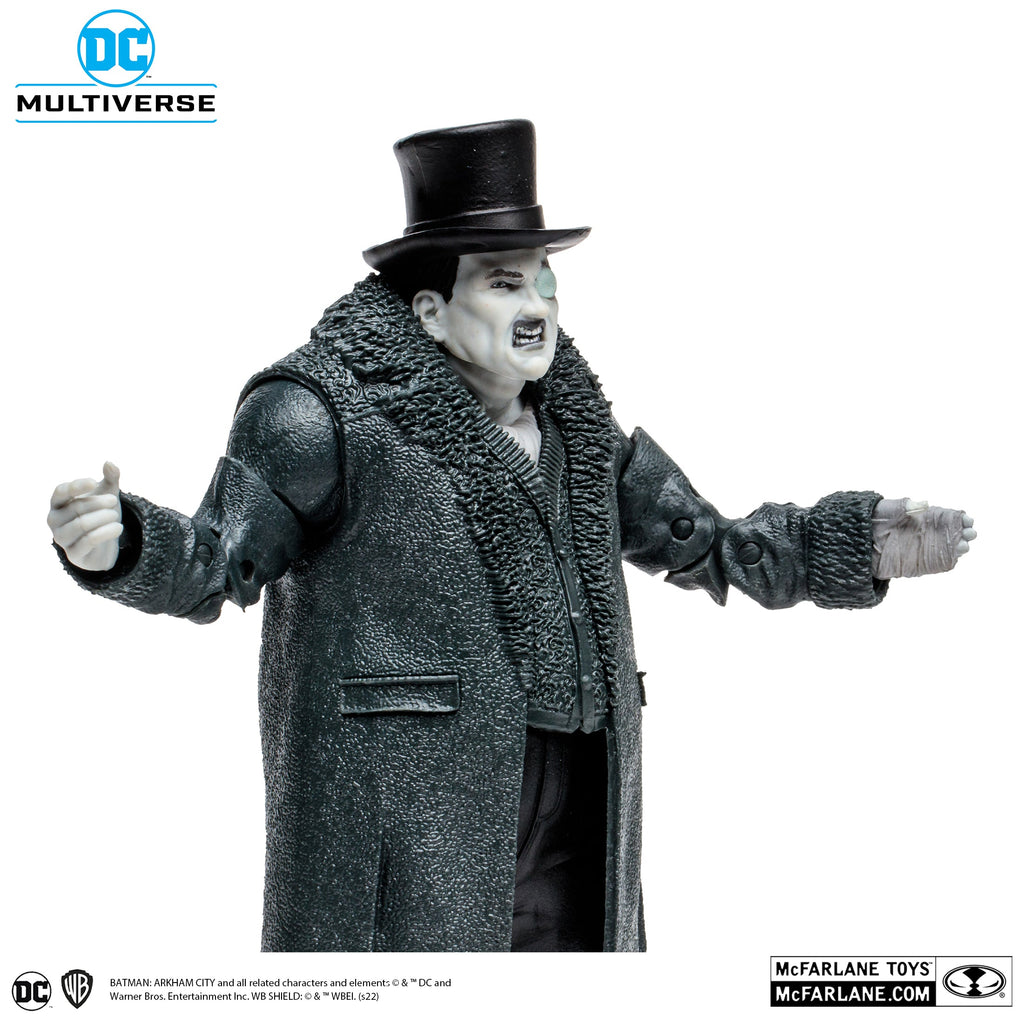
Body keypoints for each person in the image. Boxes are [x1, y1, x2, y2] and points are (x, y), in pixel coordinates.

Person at [47, 120, 974, 952]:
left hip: (582, 806)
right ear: (430, 311)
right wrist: (123, 543)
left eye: (544, 281)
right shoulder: (315, 414)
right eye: (503, 284)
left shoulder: (577, 427)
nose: (538, 306)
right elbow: (217, 562)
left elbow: (708, 543)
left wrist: (858, 542)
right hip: (412, 818)